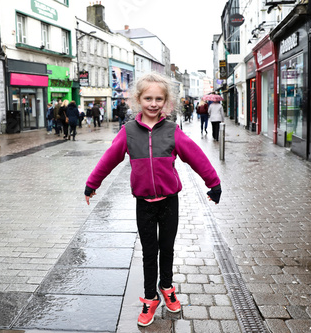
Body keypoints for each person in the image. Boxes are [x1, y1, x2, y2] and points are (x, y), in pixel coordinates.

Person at [83, 72, 222, 327]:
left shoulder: (172, 131)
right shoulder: (128, 132)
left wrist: (213, 183)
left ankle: (167, 286)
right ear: (139, 99)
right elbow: (108, 160)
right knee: (149, 252)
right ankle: (150, 297)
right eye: (148, 98)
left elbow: (196, 157)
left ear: (167, 102)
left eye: (159, 98)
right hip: (144, 204)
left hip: (169, 202)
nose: (154, 103)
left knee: (167, 249)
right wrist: (92, 184)